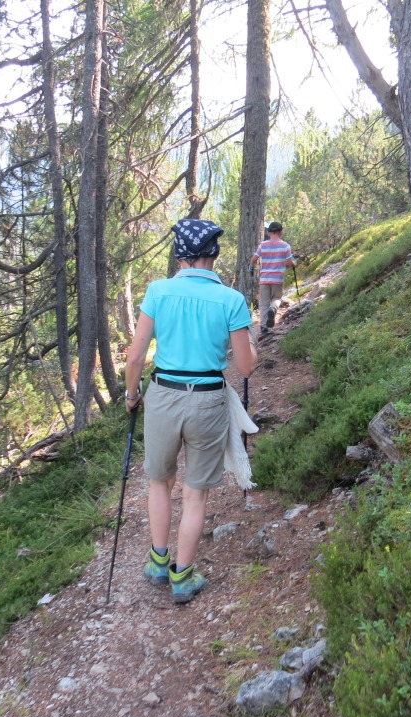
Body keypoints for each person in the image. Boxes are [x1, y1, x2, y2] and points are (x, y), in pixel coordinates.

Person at [124, 219, 258, 604]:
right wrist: (253, 344)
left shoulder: (158, 291)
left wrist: (132, 395)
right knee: (195, 492)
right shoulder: (231, 300)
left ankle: (157, 560)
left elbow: (135, 357)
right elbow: (246, 367)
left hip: (163, 395)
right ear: (214, 253)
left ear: (179, 255)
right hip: (208, 399)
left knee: (159, 481)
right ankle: (182, 577)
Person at [249, 221, 297, 336]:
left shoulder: (263, 245)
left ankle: (263, 327)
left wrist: (251, 268)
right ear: (281, 232)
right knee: (277, 298)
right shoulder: (285, 246)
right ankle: (273, 308)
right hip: (277, 278)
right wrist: (294, 264)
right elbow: (290, 262)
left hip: (264, 279)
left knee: (264, 302)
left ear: (269, 232)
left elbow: (254, 259)